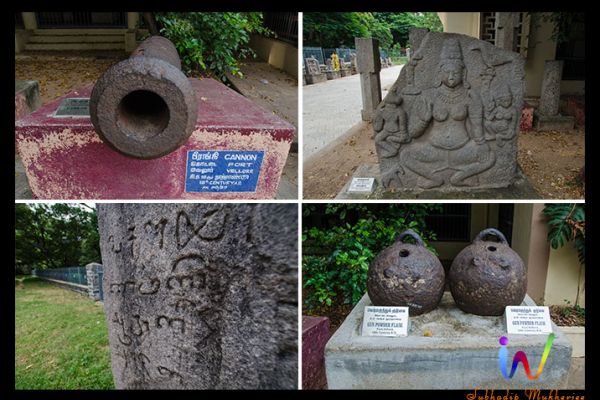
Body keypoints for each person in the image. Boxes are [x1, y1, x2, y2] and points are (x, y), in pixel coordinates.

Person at [399, 38, 495, 188]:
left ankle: (460, 177)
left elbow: (477, 128)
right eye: (447, 72)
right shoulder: (428, 96)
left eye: (455, 73)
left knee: (490, 156)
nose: (451, 77)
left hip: (462, 150)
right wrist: (423, 120)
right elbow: (412, 133)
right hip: (434, 150)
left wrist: (482, 144)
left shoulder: (470, 96)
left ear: (463, 73)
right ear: (439, 73)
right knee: (406, 155)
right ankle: (434, 178)